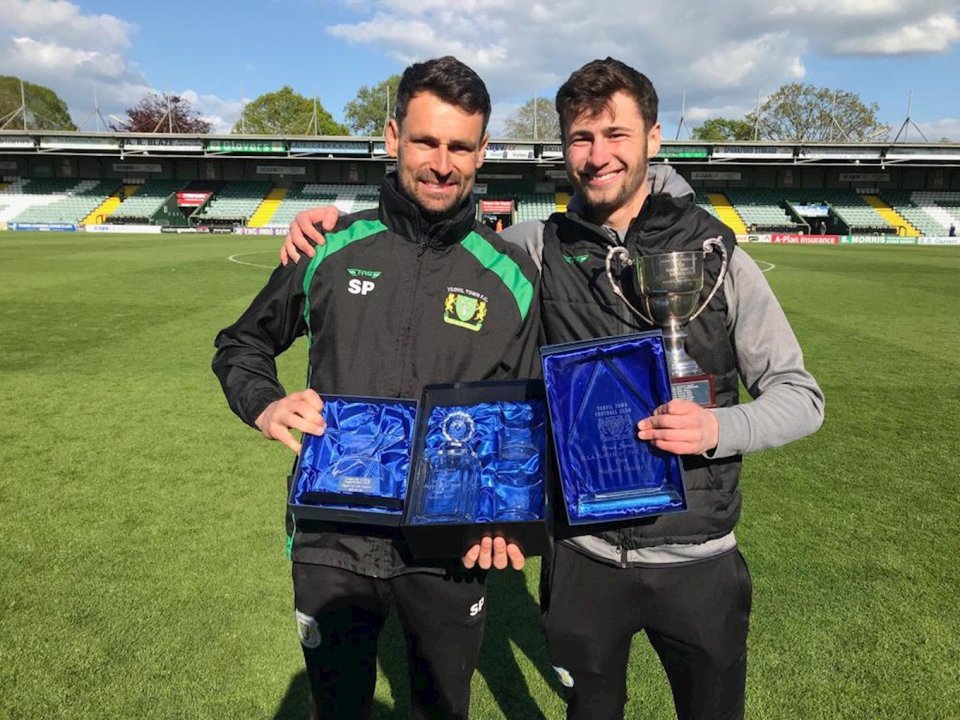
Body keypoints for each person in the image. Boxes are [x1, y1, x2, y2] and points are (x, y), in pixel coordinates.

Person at [282, 57, 824, 720]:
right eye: (581, 139)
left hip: (700, 557)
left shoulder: (718, 256)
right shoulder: (537, 247)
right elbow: (446, 237)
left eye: (616, 135)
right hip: (583, 559)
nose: (598, 156)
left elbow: (802, 396)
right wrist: (336, 220)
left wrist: (719, 429)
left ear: (654, 139)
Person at [212, 56, 540, 720]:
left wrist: (508, 514)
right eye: (426, 141)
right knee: (337, 707)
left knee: (440, 708)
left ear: (481, 154)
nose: (442, 162)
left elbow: (526, 419)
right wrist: (266, 403)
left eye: (460, 147)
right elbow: (241, 345)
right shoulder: (331, 249)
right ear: (393, 138)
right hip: (331, 537)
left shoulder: (510, 277)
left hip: (448, 549)